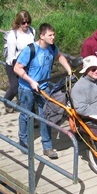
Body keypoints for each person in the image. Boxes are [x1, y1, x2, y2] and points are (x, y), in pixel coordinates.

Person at [13, 23, 72, 159]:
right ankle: (23, 140)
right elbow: (17, 68)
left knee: (46, 115)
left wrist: (68, 70)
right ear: (42, 36)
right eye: (50, 35)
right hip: (27, 87)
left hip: (44, 87)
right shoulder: (30, 50)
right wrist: (31, 81)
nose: (53, 37)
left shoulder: (52, 48)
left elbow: (60, 56)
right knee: (26, 114)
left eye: (54, 34)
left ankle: (47, 146)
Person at [3, 10, 36, 113]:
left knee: (31, 87)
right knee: (14, 86)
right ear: (18, 22)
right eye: (23, 22)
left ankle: (32, 114)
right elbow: (11, 56)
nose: (26, 25)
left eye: (28, 22)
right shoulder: (13, 35)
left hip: (29, 64)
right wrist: (18, 69)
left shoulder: (32, 31)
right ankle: (6, 101)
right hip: (14, 64)